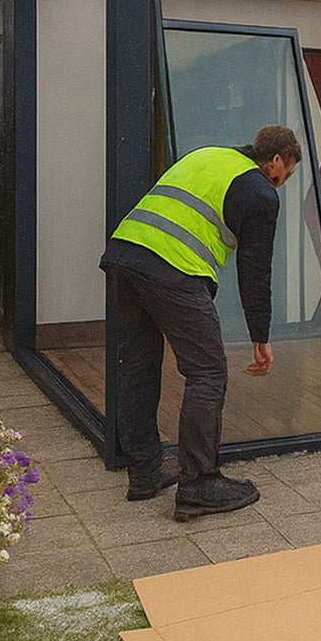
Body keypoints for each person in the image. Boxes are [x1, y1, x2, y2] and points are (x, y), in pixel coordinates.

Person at [100, 125, 301, 520]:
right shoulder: (261, 192)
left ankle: (144, 472)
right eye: (287, 174)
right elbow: (255, 272)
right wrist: (261, 337)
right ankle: (199, 484)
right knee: (207, 372)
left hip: (126, 254)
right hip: (173, 267)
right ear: (275, 161)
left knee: (138, 365)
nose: (282, 184)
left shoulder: (208, 154)